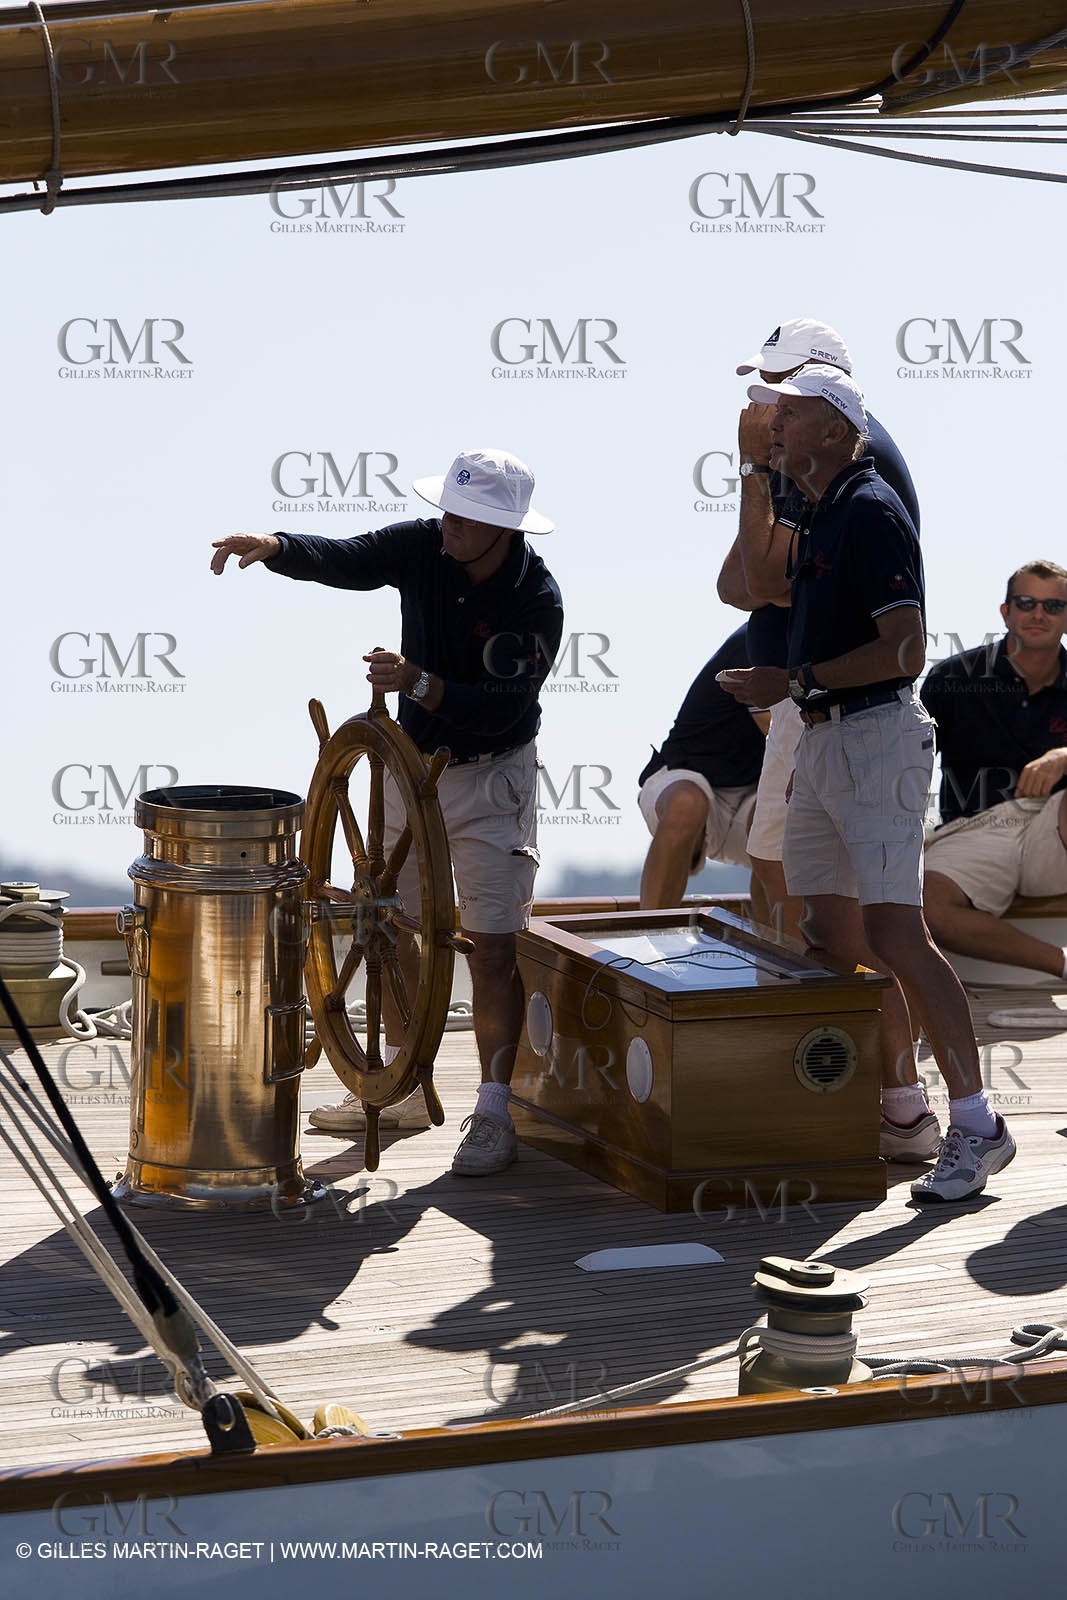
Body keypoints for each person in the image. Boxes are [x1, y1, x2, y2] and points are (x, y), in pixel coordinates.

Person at [210, 447, 564, 1177]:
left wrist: (419, 682)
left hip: (492, 780)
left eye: (467, 518)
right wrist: (274, 547)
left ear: (506, 529)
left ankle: (493, 1110)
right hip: (409, 772)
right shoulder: (427, 546)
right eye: (447, 510)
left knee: (492, 946)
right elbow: (351, 557)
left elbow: (502, 712)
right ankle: (404, 1083)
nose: (448, 526)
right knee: (389, 924)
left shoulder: (536, 602)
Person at [719, 364, 1016, 1202]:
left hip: (875, 740)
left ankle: (976, 1125)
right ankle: (898, 1110)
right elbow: (749, 581)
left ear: (836, 428)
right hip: (823, 743)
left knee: (896, 935)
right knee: (825, 932)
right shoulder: (816, 510)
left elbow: (905, 650)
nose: (773, 422)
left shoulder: (868, 509)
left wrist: (796, 682)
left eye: (792, 412)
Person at [717, 317, 920, 946]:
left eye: (774, 391)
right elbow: (735, 587)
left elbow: (763, 580)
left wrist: (753, 468)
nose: (762, 410)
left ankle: (823, 1032)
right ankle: (823, 1028)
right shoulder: (813, 460)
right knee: (791, 881)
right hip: (813, 707)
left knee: (822, 898)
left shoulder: (845, 468)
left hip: (835, 706)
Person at [922, 561, 1067, 980]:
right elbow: (909, 765)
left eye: (1054, 605)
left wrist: (1063, 756)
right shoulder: (952, 678)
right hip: (976, 829)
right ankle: (1060, 964)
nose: (1038, 614)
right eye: (1026, 603)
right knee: (929, 903)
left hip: (1054, 832)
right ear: (1005, 612)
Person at [637, 624, 768, 909]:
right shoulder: (758, 637)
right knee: (686, 803)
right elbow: (775, 728)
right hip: (687, 775)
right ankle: (649, 940)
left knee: (779, 819)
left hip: (755, 797)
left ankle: (776, 950)